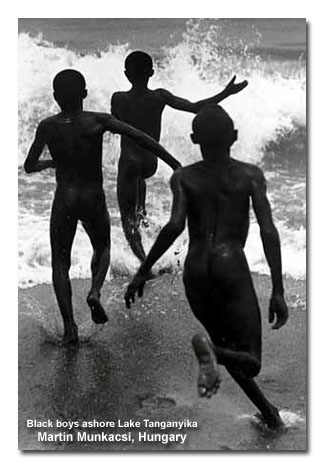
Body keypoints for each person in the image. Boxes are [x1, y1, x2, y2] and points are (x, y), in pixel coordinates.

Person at [124, 105, 289, 430]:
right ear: (235, 137)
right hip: (230, 265)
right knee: (248, 361)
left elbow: (174, 226)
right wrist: (278, 290)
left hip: (196, 270)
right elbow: (268, 231)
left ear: (194, 139)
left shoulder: (183, 177)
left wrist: (145, 268)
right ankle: (211, 350)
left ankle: (269, 414)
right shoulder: (250, 175)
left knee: (224, 350)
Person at [24, 69, 180, 346]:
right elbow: (142, 138)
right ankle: (95, 291)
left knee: (61, 263)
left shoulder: (47, 126)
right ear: (84, 94)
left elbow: (29, 166)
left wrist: (50, 163)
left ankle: (70, 328)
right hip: (92, 197)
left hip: (65, 198)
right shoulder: (98, 120)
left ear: (55, 97)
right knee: (102, 248)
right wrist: (173, 162)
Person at [111, 50, 248, 263]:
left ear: (127, 74)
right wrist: (225, 93)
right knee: (140, 192)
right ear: (151, 73)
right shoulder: (160, 96)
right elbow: (195, 108)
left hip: (129, 161)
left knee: (127, 219)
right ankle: (145, 220)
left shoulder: (119, 98)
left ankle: (144, 263)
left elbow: (115, 125)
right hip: (151, 161)